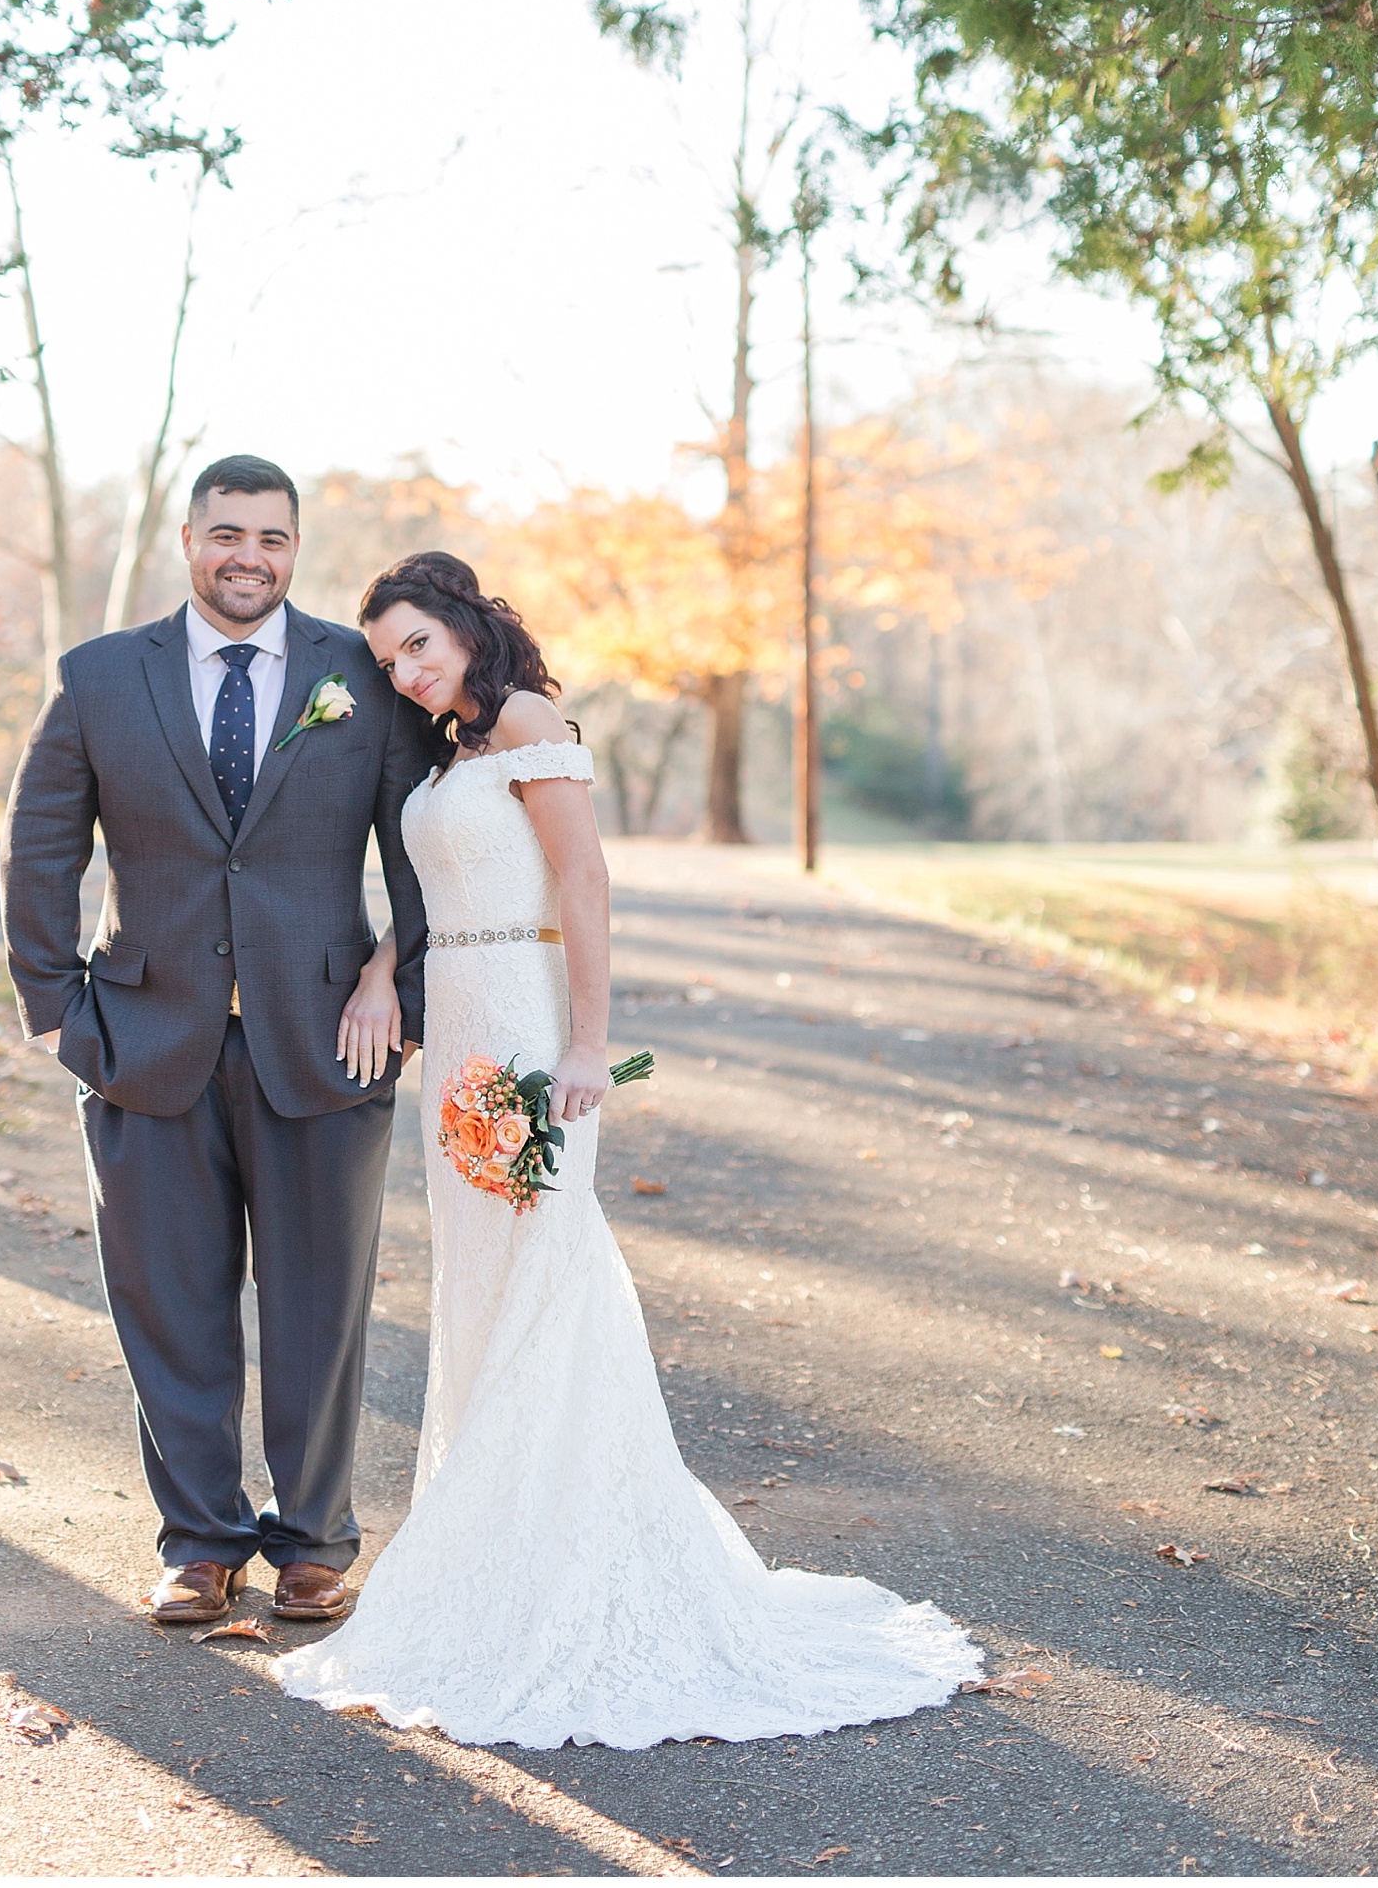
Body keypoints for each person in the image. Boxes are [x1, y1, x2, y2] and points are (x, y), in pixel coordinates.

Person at [276, 550, 980, 1749]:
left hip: (527, 1024)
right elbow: (437, 894)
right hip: (458, 1026)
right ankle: (505, 1535)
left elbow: (584, 880)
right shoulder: (455, 746)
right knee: (484, 1284)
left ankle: (558, 1551)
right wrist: (391, 970)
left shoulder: (532, 720)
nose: (402, 674)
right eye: (388, 657)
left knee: (548, 1273)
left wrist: (589, 1043)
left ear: (464, 625)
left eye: (418, 647)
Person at [0, 455, 437, 1625]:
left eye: (274, 538)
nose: (250, 555)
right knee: (169, 1302)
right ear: (189, 540)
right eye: (228, 533)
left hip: (331, 1039)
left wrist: (404, 985)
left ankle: (310, 1542)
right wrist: (57, 1011)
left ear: (298, 549)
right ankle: (199, 1540)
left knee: (318, 1306)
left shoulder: (362, 672)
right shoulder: (99, 677)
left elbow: (428, 851)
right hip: (144, 1040)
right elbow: (40, 844)